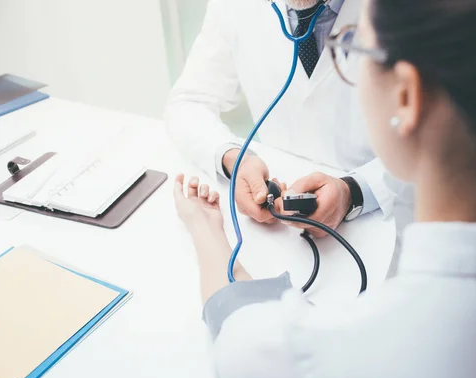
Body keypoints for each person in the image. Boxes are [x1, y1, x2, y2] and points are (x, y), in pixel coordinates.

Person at [173, 0, 476, 378]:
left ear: (406, 96)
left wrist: (205, 228)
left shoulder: (323, 356)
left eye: (353, 45)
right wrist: (233, 157)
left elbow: (240, 339)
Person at [165, 0, 414, 237]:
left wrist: (354, 192)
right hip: (277, 230)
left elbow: (444, 143)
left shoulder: (415, 11)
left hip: (388, 219)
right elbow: (188, 103)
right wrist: (235, 158)